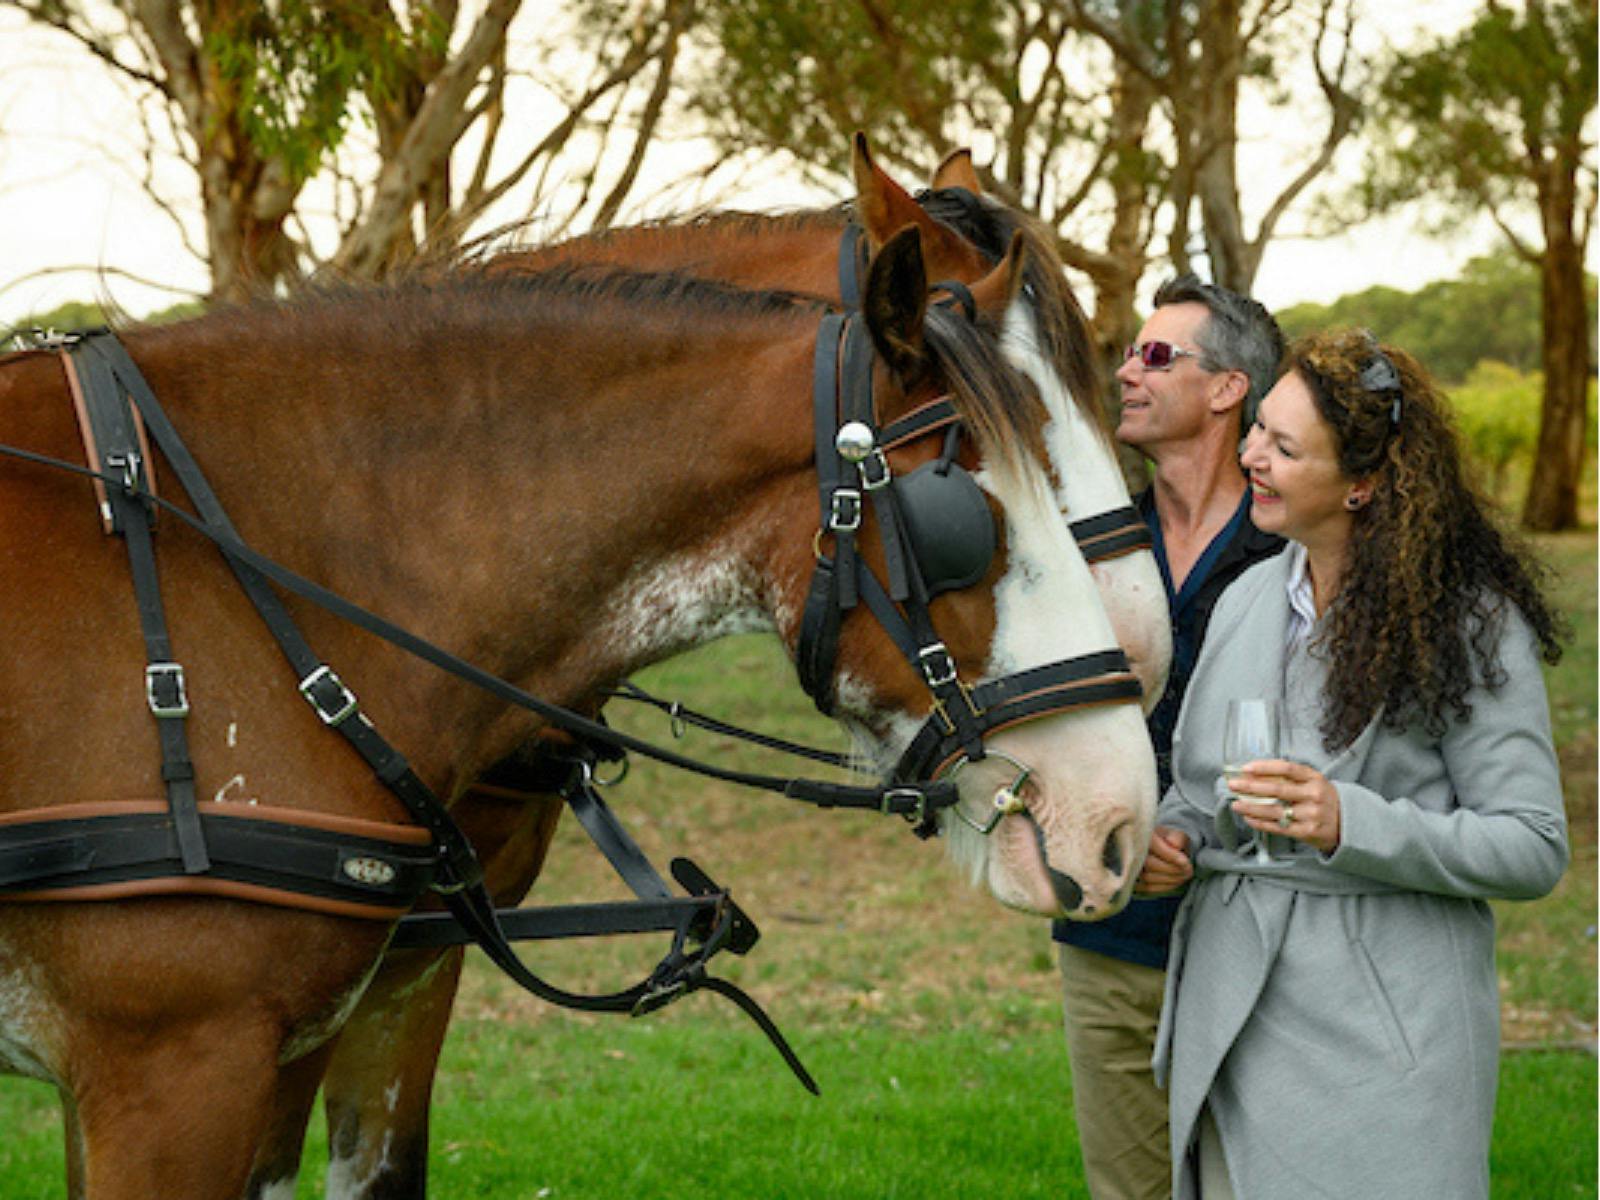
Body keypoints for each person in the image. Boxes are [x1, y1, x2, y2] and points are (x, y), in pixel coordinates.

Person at [1139, 329, 1568, 1199]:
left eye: (1284, 447)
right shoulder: (1249, 596)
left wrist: (1350, 822)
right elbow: (1199, 787)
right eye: (1258, 427)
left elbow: (1532, 846)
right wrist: (1171, 839)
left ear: (1365, 485)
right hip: (1235, 1013)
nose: (1251, 455)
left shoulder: (1467, 622)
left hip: (1387, 1040)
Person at [1053, 275, 1284, 1200]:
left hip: (1262, 944)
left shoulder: (1291, 549)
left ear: (1228, 389)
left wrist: (1204, 829)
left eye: (1156, 357)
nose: (1126, 373)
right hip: (1109, 937)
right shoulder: (1089, 548)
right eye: (1128, 354)